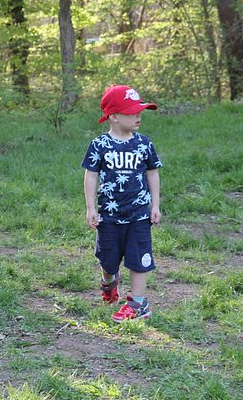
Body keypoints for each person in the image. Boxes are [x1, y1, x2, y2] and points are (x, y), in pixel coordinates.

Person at [81, 85, 162, 322]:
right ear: (114, 116)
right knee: (108, 259)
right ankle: (109, 282)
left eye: (140, 111)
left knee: (139, 258)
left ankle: (138, 304)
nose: (138, 115)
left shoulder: (144, 144)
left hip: (138, 215)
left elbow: (152, 174)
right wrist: (90, 208)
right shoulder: (100, 145)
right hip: (109, 215)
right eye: (132, 112)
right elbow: (91, 175)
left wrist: (155, 205)